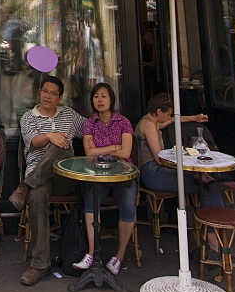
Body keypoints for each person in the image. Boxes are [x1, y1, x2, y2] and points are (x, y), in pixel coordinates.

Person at [9, 75, 86, 286]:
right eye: (45, 91)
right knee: (35, 199)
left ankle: (24, 187)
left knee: (62, 145)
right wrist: (51, 136)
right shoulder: (29, 117)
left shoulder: (69, 114)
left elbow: (90, 129)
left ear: (60, 97)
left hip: (64, 177)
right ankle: (40, 265)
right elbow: (34, 142)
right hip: (40, 176)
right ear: (39, 93)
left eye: (53, 93)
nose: (48, 96)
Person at [135, 93, 223, 253]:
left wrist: (195, 118)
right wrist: (180, 156)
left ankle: (215, 231)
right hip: (153, 172)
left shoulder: (151, 122)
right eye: (167, 113)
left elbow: (174, 120)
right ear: (159, 111)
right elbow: (159, 157)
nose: (168, 117)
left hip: (155, 170)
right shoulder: (148, 125)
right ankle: (215, 238)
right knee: (206, 184)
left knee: (206, 180)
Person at [72, 82, 137, 276]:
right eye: (96, 96)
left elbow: (126, 152)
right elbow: (89, 153)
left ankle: (119, 256)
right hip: (98, 174)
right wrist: (113, 147)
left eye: (103, 96)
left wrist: (108, 150)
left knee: (127, 206)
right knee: (91, 203)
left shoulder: (123, 122)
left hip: (122, 173)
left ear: (111, 99)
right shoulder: (89, 123)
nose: (99, 100)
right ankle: (92, 253)